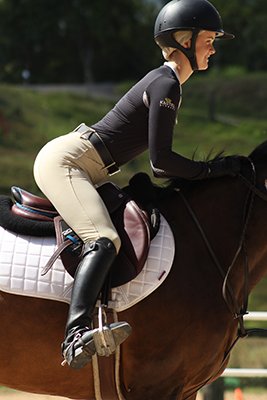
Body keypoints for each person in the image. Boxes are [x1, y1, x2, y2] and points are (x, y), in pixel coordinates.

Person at [33, 0, 240, 370]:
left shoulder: (167, 82)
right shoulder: (166, 83)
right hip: (68, 162)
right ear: (185, 40)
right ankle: (75, 334)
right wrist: (212, 171)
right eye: (209, 39)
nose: (213, 46)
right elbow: (162, 164)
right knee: (104, 239)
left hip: (90, 165)